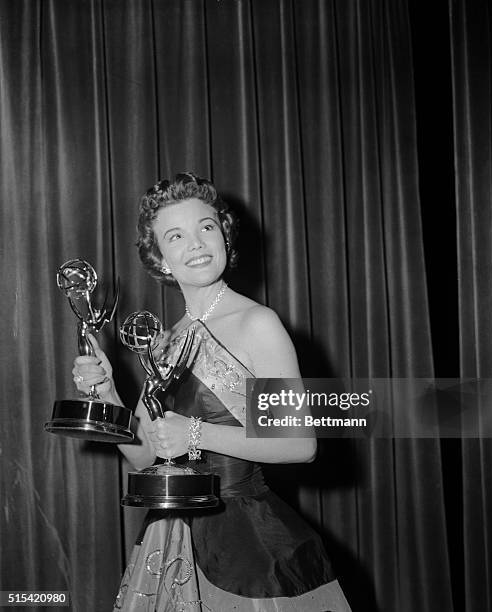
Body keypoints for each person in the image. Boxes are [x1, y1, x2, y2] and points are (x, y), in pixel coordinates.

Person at [73, 173, 351, 611]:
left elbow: (300, 444)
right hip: (171, 538)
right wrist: (108, 392)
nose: (197, 244)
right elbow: (144, 456)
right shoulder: (164, 342)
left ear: (223, 234)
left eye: (205, 227)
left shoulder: (258, 323)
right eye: (176, 236)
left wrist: (195, 434)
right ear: (161, 259)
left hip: (250, 544)